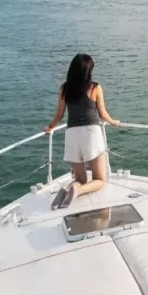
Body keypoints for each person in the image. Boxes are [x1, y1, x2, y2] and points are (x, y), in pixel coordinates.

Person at [44, 54, 120, 210]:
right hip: (91, 133)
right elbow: (102, 114)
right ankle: (77, 190)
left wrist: (50, 127)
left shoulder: (64, 89)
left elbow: (59, 115)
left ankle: (67, 189)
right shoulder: (95, 87)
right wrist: (113, 122)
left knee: (80, 178)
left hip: (72, 134)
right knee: (100, 179)